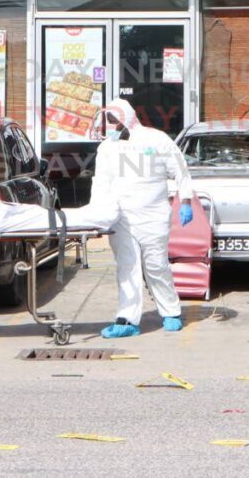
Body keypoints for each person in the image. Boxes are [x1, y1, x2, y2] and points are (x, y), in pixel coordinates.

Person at [94, 98, 194, 338]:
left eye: (116, 121)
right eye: (110, 122)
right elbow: (100, 183)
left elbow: (180, 171)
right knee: (127, 268)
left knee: (156, 265)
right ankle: (127, 319)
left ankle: (171, 311)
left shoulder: (156, 139)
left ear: (127, 117)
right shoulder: (107, 148)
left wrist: (186, 200)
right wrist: (97, 215)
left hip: (153, 216)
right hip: (121, 218)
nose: (113, 126)